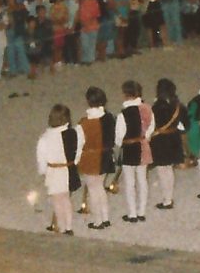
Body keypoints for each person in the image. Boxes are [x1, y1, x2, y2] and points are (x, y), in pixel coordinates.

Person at [35, 103, 78, 235]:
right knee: (66, 198)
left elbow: (41, 158)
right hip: (68, 169)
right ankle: (69, 226)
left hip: (54, 172)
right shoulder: (72, 133)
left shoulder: (45, 139)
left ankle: (61, 226)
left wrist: (42, 171)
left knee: (57, 201)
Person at [77, 87, 117, 229]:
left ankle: (97, 221)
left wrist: (76, 161)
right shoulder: (109, 118)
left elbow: (79, 143)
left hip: (91, 158)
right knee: (100, 187)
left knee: (93, 189)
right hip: (106, 156)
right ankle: (105, 217)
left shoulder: (84, 123)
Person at [147, 78, 185, 211]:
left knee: (162, 171)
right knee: (169, 169)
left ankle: (167, 199)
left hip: (160, 141)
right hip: (174, 140)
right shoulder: (178, 106)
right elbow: (186, 125)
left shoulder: (155, 108)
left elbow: (150, 126)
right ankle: (168, 197)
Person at [116, 80, 150, 224]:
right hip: (143, 146)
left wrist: (120, 145)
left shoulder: (122, 115)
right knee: (142, 179)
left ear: (125, 95)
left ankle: (132, 213)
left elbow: (119, 136)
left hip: (129, 149)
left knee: (129, 182)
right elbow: (151, 128)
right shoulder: (147, 109)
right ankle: (142, 211)